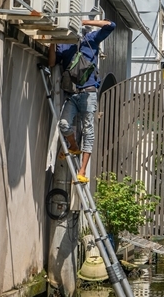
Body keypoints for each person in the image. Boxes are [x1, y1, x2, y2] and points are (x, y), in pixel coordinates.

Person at [48, 19, 115, 183]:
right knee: (63, 123)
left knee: (88, 131)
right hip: (72, 93)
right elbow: (51, 62)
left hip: (89, 93)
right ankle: (74, 147)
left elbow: (111, 25)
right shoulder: (63, 45)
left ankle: (82, 171)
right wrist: (52, 41)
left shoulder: (90, 39)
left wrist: (84, 20)